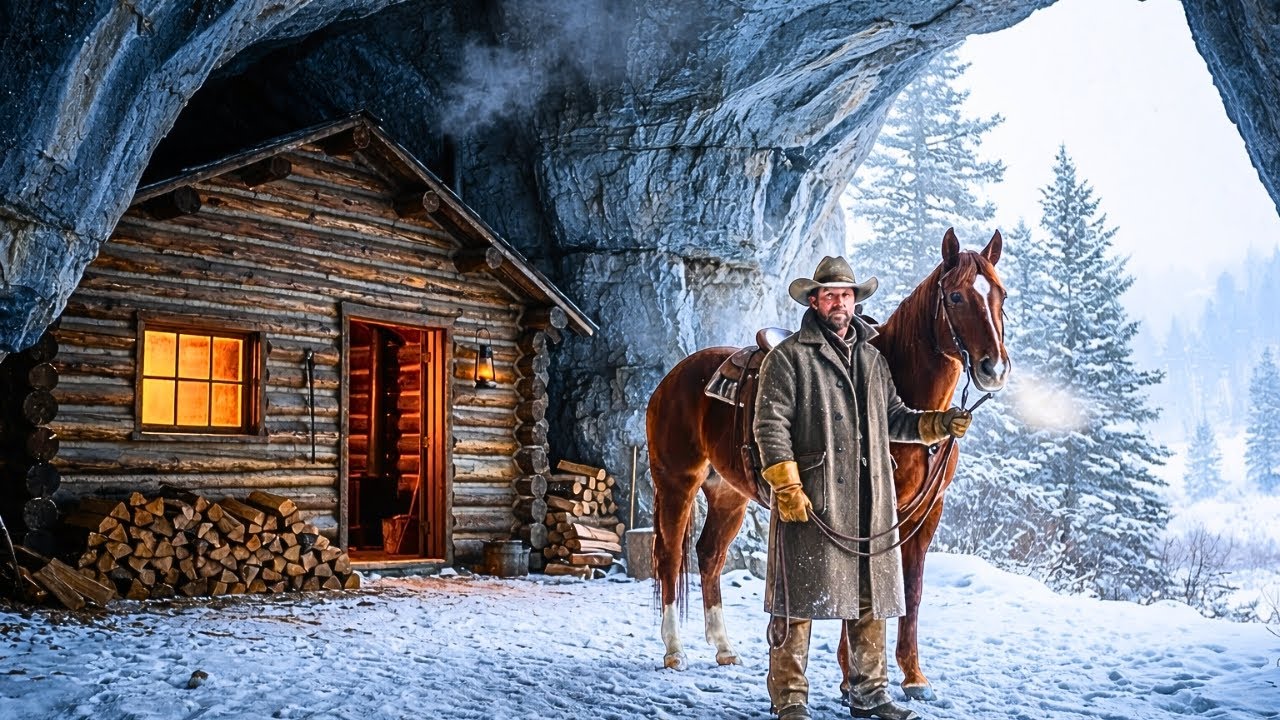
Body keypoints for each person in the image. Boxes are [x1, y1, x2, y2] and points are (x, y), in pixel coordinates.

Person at [753, 256, 970, 720]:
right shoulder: (788, 357)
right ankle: (789, 699)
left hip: (871, 500)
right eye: (830, 295)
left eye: (846, 295)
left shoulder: (872, 359)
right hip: (814, 498)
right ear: (814, 301)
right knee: (797, 602)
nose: (839, 302)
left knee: (870, 601)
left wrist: (938, 424)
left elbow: (895, 418)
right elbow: (770, 426)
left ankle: (869, 693)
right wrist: (786, 485)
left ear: (855, 302)